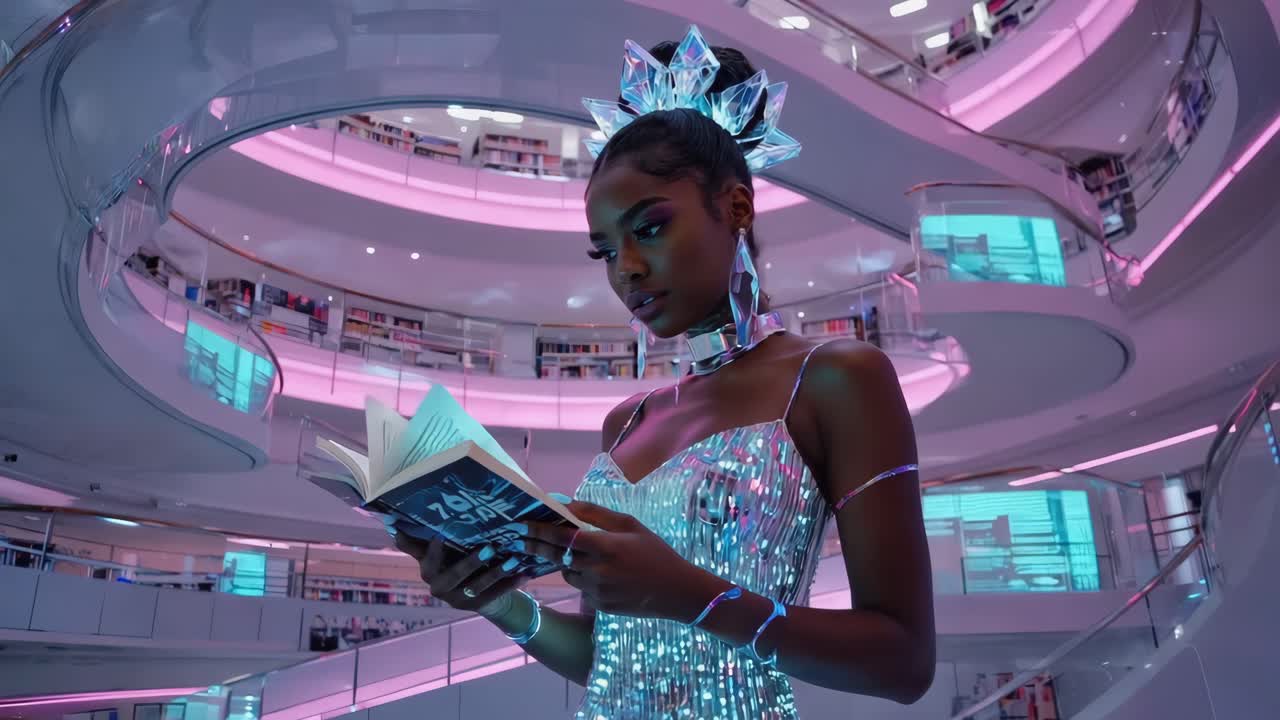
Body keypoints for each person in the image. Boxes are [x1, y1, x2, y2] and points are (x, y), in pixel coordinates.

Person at [396, 27, 935, 718]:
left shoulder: (837, 378)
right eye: (605, 251)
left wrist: (691, 594)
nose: (627, 269)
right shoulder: (627, 422)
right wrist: (500, 603)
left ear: (736, 207)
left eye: (648, 228)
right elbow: (606, 657)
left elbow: (904, 663)